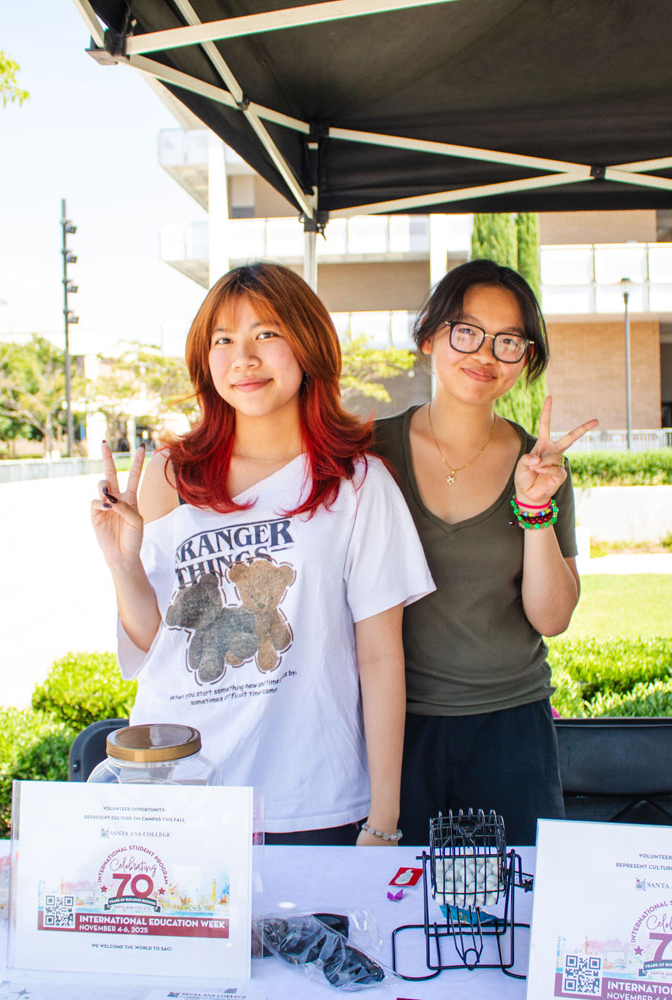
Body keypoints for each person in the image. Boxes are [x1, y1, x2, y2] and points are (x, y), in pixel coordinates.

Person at [90, 262, 434, 846]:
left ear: (309, 347)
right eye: (222, 340)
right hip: (177, 790)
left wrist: (383, 819)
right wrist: (123, 564)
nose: (242, 358)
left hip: (312, 798)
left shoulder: (357, 484)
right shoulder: (172, 475)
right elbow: (157, 640)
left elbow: (380, 656)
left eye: (266, 334)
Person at [372, 259, 598, 846]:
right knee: (398, 911)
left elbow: (552, 617)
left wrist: (534, 508)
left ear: (525, 360)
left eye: (509, 341)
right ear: (429, 336)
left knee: (516, 912)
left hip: (510, 728)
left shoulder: (542, 468)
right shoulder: (369, 454)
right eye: (466, 331)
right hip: (392, 727)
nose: (485, 354)